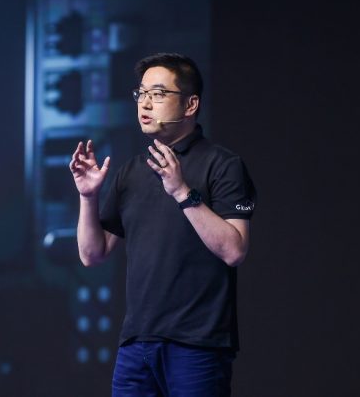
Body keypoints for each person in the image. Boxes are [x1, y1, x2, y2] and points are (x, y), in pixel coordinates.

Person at [69, 53, 256, 397]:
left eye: (158, 93)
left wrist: (182, 192)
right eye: (141, 93)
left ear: (190, 104)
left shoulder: (223, 165)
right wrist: (88, 196)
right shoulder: (131, 172)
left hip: (198, 345)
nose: (145, 103)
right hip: (136, 343)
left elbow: (235, 250)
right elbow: (92, 255)